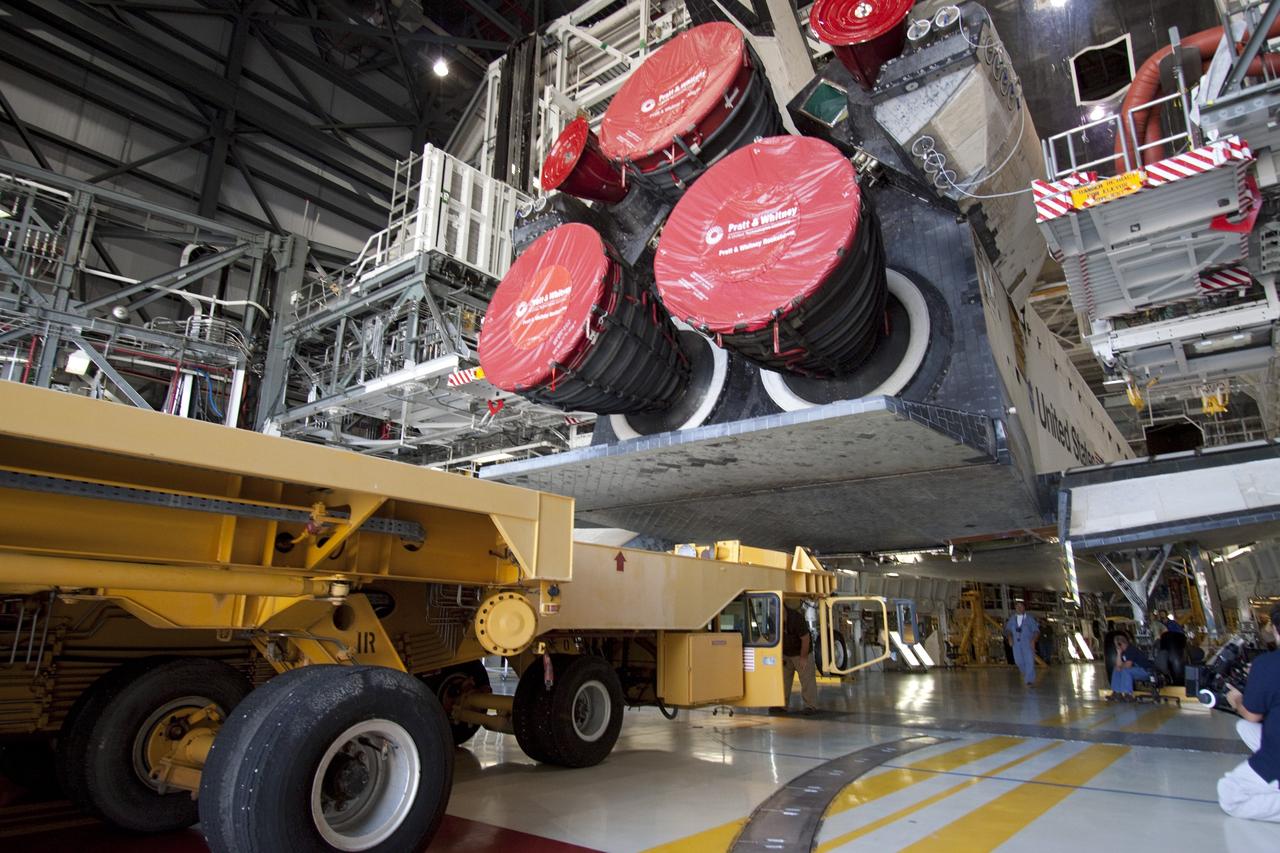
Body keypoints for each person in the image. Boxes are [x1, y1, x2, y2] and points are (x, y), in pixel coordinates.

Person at [1218, 603, 1280, 822]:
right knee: (1244, 728)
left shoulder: (1267, 664)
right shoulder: (1266, 666)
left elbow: (1252, 714)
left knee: (1228, 793)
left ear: (1275, 630)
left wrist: (1236, 701)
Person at [779, 598, 818, 715]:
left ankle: (810, 706)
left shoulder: (796, 618)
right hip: (786, 654)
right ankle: (781, 705)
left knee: (807, 680)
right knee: (783, 680)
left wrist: (803, 657)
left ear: (783, 609)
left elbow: (805, 639)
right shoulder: (774, 619)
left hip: (801, 652)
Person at [1003, 601, 1039, 686]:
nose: (1019, 608)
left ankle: (1029, 680)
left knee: (1029, 660)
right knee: (1018, 661)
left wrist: (1033, 640)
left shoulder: (1029, 619)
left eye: (1020, 606)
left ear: (1024, 608)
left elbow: (1036, 631)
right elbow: (1007, 630)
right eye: (1017, 606)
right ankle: (1027, 673)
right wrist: (1010, 637)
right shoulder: (1012, 619)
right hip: (1016, 644)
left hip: (1028, 643)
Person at [1110, 634, 1155, 698]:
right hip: (1136, 670)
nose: (1116, 647)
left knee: (1126, 671)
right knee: (1116, 669)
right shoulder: (1123, 652)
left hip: (1146, 671)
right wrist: (1119, 653)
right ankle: (1116, 692)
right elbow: (1118, 665)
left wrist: (1120, 667)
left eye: (1117, 645)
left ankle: (1128, 694)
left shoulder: (1131, 649)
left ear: (1121, 644)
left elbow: (1128, 665)